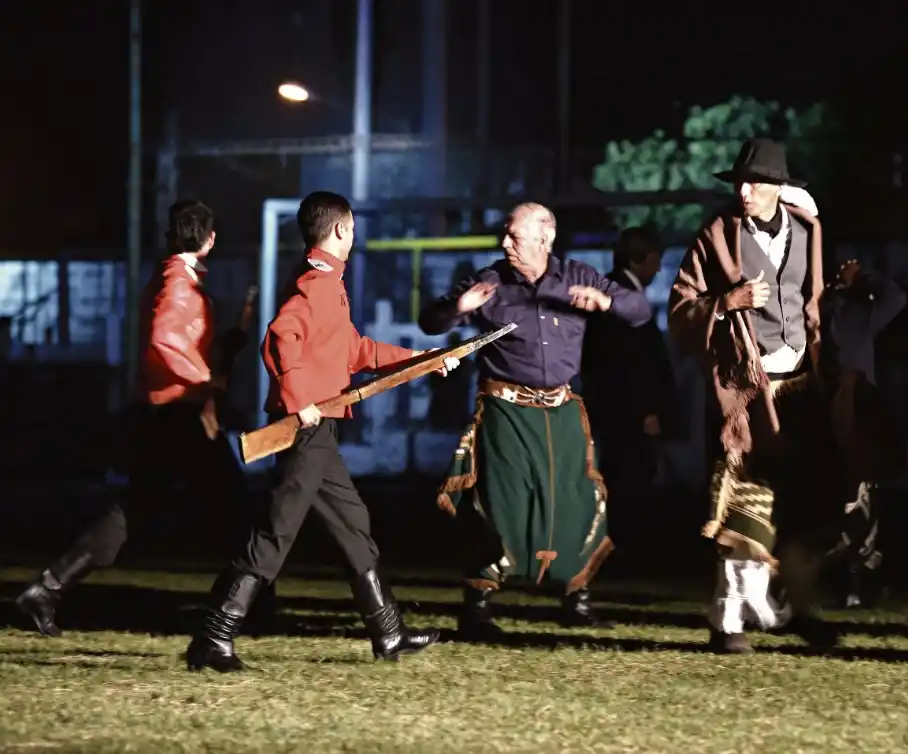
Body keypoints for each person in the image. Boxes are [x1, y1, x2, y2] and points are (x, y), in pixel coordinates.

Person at [184, 191, 458, 672]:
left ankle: (388, 634)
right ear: (339, 231)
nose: (353, 236)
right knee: (275, 532)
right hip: (306, 429)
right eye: (350, 228)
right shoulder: (318, 284)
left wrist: (423, 361)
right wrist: (298, 402)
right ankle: (213, 637)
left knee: (354, 527)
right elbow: (278, 337)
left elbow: (356, 351)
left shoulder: (327, 282)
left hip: (321, 432)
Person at [14, 200, 275, 636]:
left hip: (167, 415)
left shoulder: (172, 278)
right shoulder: (179, 284)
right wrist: (208, 380)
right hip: (180, 417)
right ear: (210, 240)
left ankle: (46, 590)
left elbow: (177, 339)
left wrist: (218, 352)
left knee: (136, 511)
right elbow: (165, 338)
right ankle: (249, 608)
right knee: (236, 509)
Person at [420, 203, 652, 637]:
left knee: (576, 501)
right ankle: (477, 606)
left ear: (544, 240)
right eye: (505, 235)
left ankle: (576, 598)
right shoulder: (490, 281)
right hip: (506, 411)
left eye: (514, 236)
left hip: (562, 411)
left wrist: (605, 301)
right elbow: (430, 321)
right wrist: (458, 306)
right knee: (498, 504)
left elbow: (640, 311)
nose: (504, 243)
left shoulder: (580, 276)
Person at [669, 137, 839, 653]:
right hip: (745, 391)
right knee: (745, 506)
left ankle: (797, 610)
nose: (744, 191)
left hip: (800, 388)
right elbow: (680, 308)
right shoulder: (717, 235)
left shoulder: (808, 231)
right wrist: (725, 302)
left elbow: (814, 303)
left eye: (756, 184)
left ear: (779, 189)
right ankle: (729, 623)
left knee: (805, 508)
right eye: (740, 183)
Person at [580, 225, 679, 559]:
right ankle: (621, 549)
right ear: (643, 259)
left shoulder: (609, 291)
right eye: (655, 260)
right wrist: (647, 411)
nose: (658, 269)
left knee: (623, 477)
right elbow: (630, 363)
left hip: (615, 410)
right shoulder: (621, 299)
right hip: (627, 414)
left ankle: (617, 546)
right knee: (629, 479)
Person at [820, 258, 906, 608]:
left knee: (861, 488)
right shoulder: (818, 308)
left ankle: (860, 574)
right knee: (831, 494)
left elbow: (896, 298)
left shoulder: (859, 311)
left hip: (856, 404)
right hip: (818, 402)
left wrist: (862, 279)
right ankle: (834, 573)